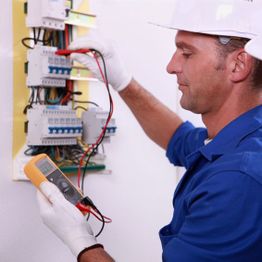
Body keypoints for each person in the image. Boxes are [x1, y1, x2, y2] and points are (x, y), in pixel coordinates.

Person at [36, 0, 262, 261]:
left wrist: (82, 243)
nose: (171, 66)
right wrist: (122, 81)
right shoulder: (240, 137)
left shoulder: (239, 179)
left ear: (238, 65)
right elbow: (177, 138)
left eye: (186, 53)